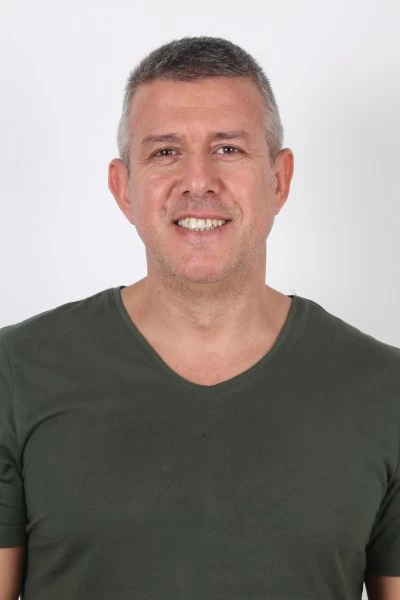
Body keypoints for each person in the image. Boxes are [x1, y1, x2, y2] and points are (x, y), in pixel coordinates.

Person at [0, 36, 399, 600]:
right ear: (123, 188)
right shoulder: (15, 374)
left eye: (228, 149)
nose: (197, 180)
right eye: (165, 152)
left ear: (279, 179)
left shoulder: (385, 390)